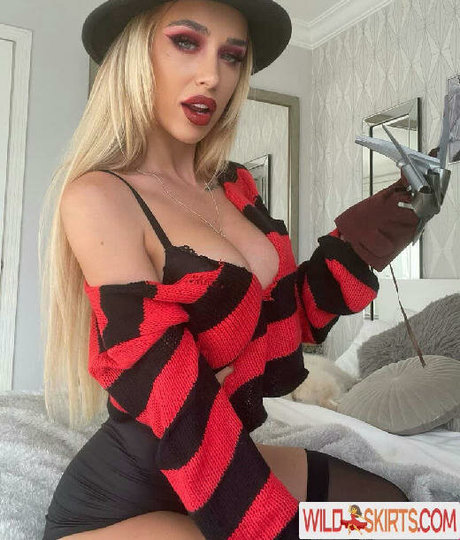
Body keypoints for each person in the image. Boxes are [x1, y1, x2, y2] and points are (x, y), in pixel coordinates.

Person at [40, 1, 416, 538]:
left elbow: (293, 318)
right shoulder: (101, 196)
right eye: (186, 42)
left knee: (401, 517)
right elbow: (176, 396)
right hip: (129, 497)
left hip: (226, 448)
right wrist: (270, 524)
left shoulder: (235, 185)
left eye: (232, 56)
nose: (213, 76)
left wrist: (386, 221)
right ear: (135, 56)